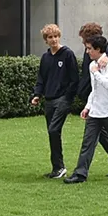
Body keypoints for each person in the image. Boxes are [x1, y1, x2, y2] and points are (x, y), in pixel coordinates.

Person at [64, 34, 108, 183]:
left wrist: (96, 72)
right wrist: (88, 106)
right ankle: (80, 174)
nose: (87, 52)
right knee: (87, 143)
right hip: (96, 111)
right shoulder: (92, 65)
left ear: (98, 49)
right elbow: (95, 90)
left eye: (89, 49)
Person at [75, 24, 108, 175]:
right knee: (102, 137)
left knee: (105, 137)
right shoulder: (90, 52)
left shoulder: (102, 51)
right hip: (94, 99)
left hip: (103, 104)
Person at [30, 23, 80, 178]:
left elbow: (74, 78)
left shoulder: (67, 54)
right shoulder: (45, 58)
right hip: (49, 100)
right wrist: (37, 94)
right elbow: (41, 78)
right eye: (50, 37)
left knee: (53, 130)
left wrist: (67, 97)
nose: (54, 40)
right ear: (46, 40)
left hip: (62, 99)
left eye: (56, 36)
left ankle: (59, 167)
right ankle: (57, 167)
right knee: (53, 133)